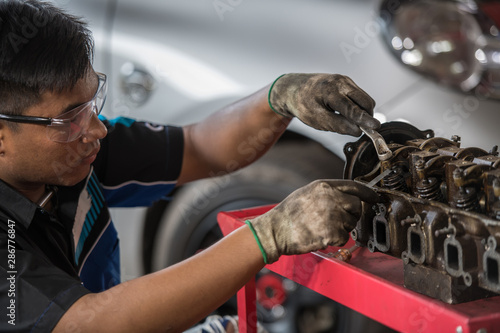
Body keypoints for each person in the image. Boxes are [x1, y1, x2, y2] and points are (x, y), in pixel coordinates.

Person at [0, 1, 381, 332]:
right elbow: (92, 323)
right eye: (70, 119)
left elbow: (201, 147)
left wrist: (280, 97)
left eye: (91, 104)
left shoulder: (79, 152)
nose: (96, 129)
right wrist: (268, 236)